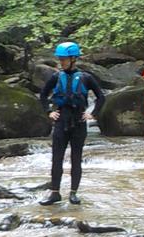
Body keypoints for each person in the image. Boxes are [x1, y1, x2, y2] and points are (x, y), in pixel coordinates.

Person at [38, 42, 105, 205]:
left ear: (74, 59)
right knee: (57, 158)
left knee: (76, 158)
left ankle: (73, 193)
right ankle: (55, 193)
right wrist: (49, 112)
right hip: (61, 121)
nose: (61, 62)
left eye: (64, 59)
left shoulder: (86, 77)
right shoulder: (55, 77)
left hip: (79, 122)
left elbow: (101, 97)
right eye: (60, 59)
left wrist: (92, 114)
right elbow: (43, 95)